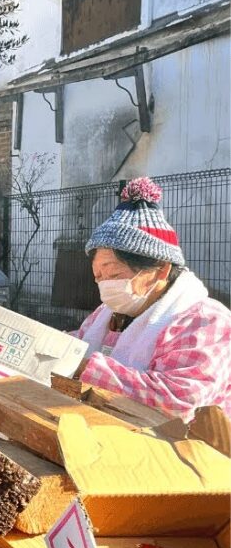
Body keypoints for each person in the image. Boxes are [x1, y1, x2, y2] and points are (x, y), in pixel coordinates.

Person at [74, 176, 231, 420]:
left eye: (114, 273)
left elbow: (179, 401)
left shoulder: (205, 321)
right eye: (98, 276)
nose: (105, 285)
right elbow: (77, 344)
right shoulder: (107, 314)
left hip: (184, 450)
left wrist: (87, 368)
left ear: (161, 270)